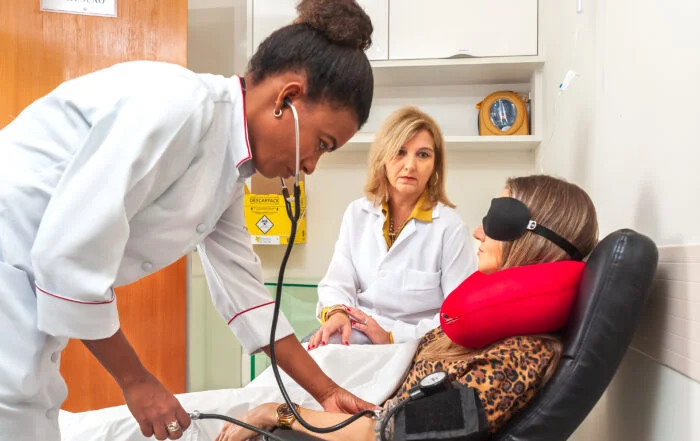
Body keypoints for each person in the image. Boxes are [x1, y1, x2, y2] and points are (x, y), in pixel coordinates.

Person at [0, 1, 377, 440]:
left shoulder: (229, 169)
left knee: (33, 416)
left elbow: (246, 297)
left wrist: (327, 392)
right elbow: (68, 256)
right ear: (286, 99)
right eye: (322, 144)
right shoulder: (178, 105)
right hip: (10, 272)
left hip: (24, 302)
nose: (311, 165)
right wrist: (137, 382)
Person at [215, 174, 599, 441]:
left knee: (217, 419)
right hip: (357, 389)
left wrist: (277, 412)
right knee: (218, 408)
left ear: (534, 237)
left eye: (496, 219)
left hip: (347, 418)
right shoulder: (493, 330)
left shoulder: (518, 358)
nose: (477, 232)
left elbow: (385, 432)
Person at [308, 106, 476, 349]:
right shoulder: (357, 213)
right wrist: (337, 313)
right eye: (400, 152)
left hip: (416, 346)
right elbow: (337, 280)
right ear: (382, 159)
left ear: (435, 166)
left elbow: (457, 316)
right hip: (355, 335)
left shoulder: (450, 228)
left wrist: (393, 337)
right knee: (309, 360)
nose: (410, 165)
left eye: (423, 155)